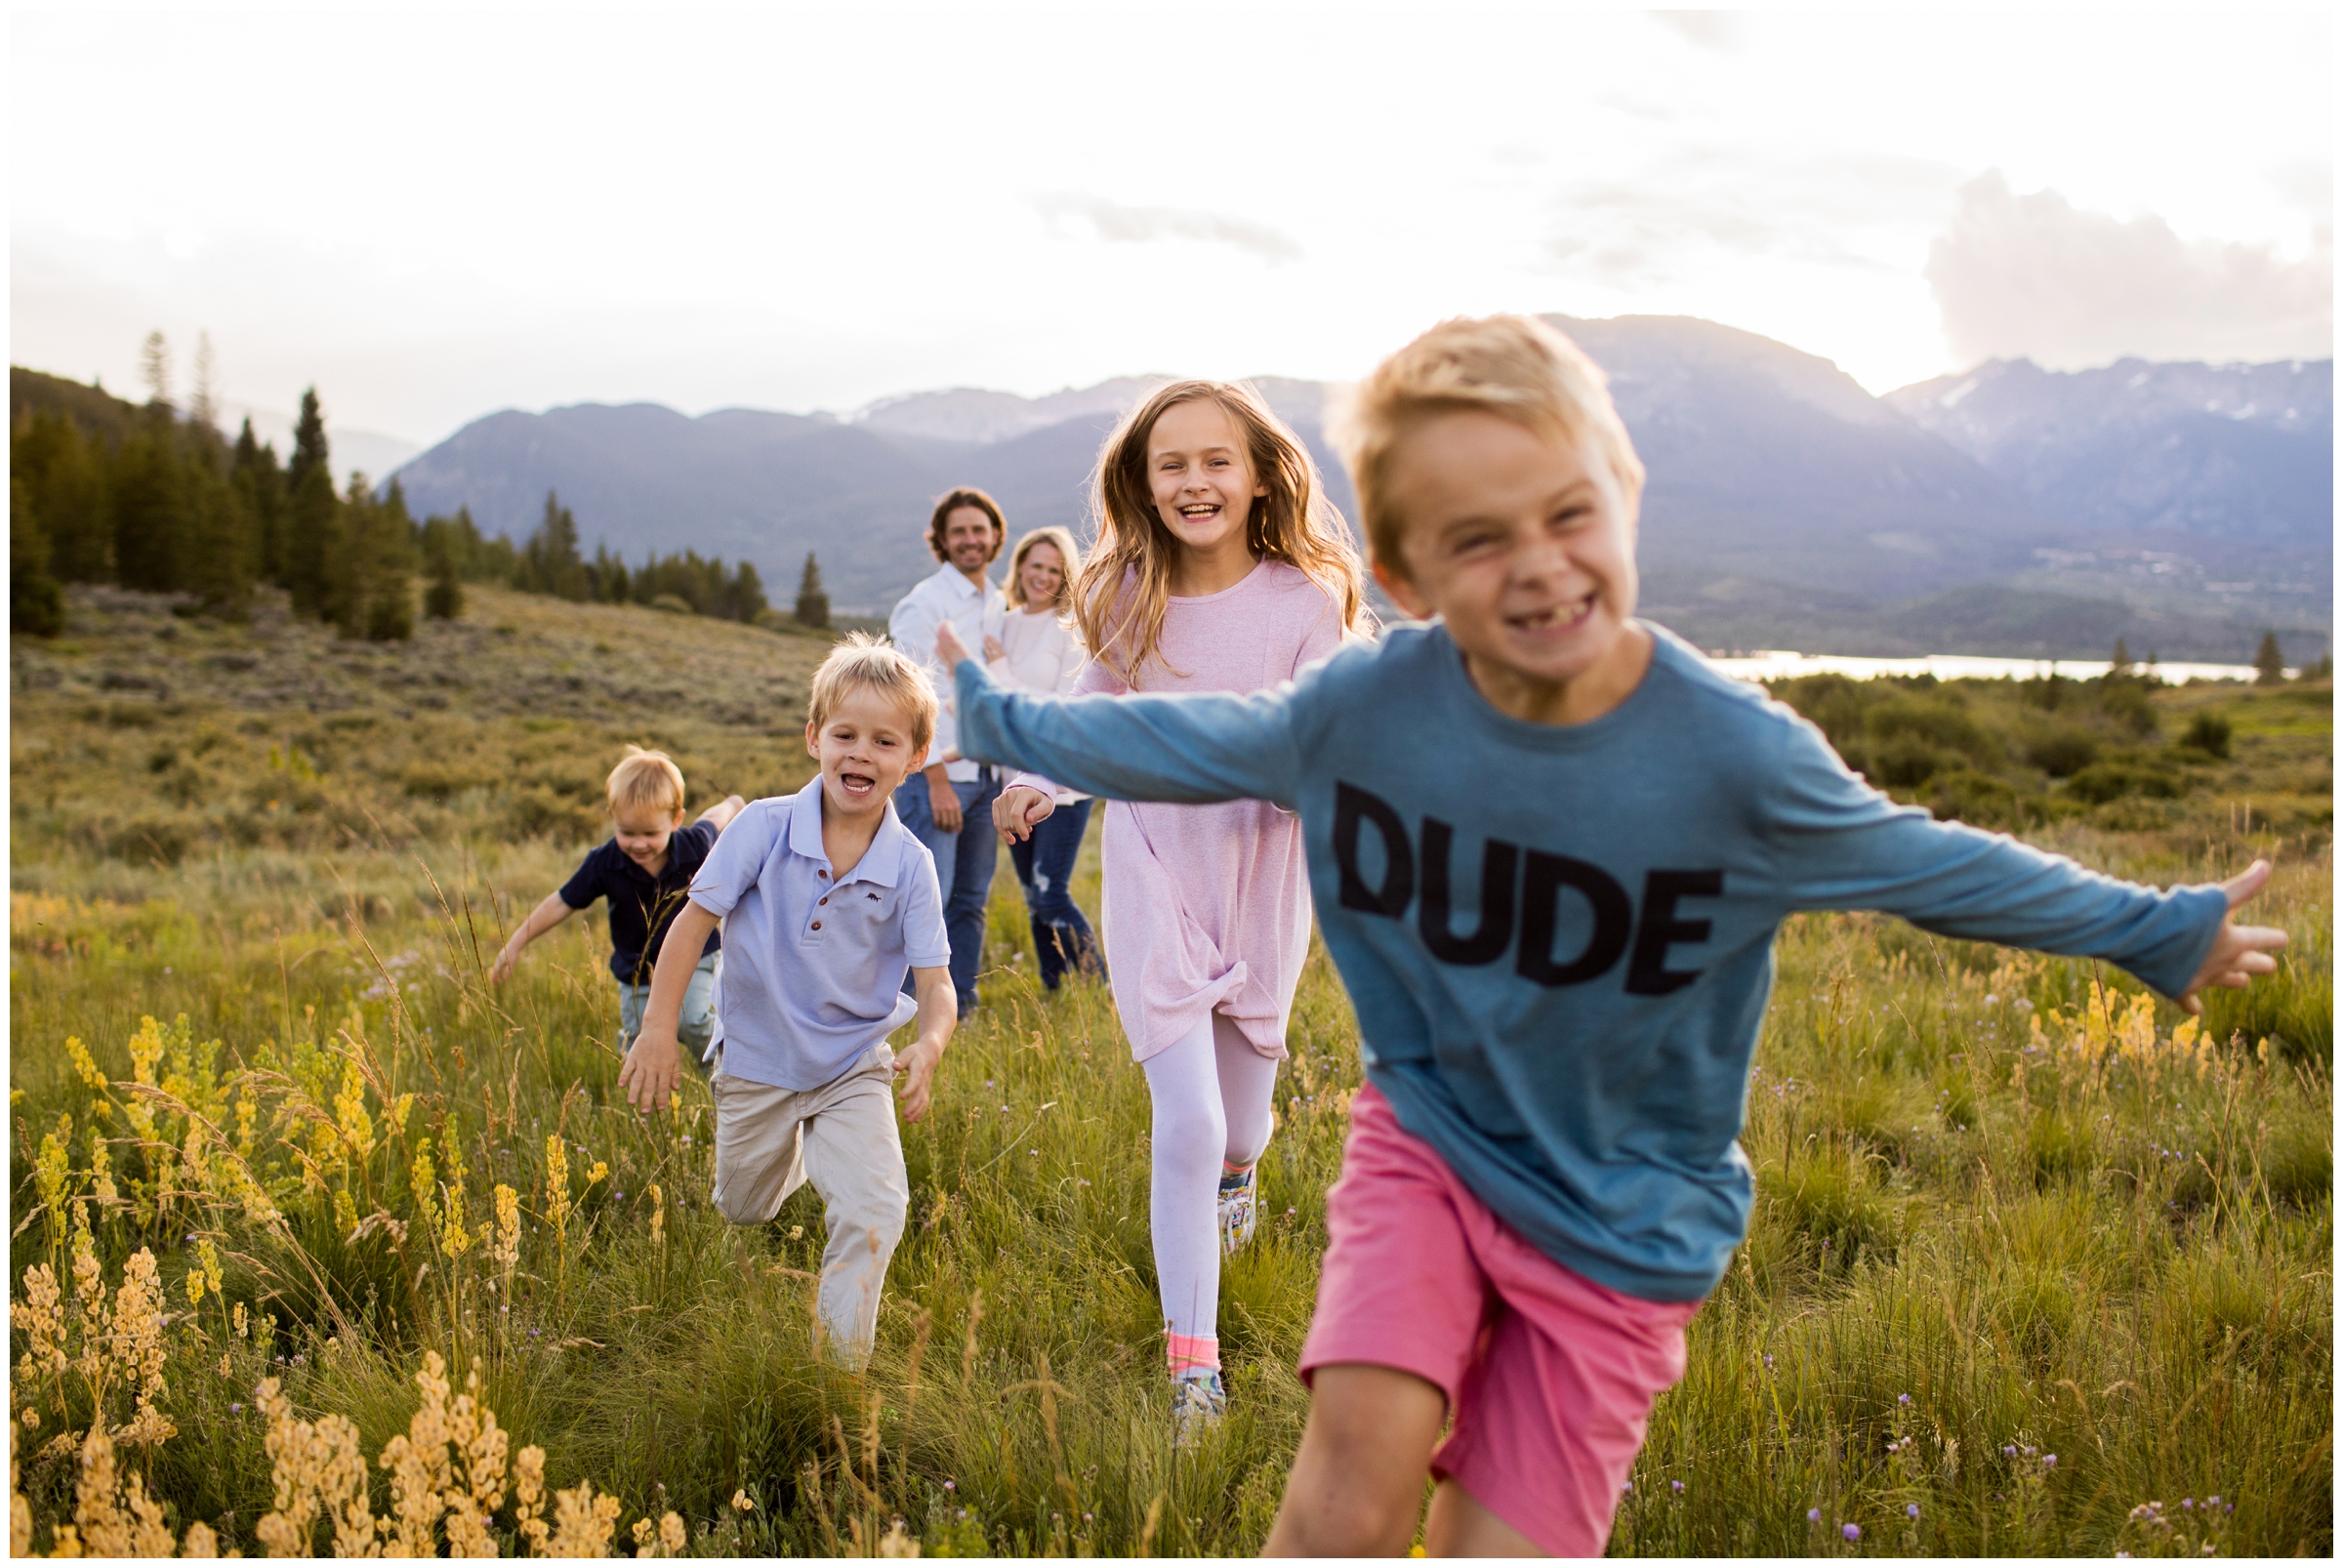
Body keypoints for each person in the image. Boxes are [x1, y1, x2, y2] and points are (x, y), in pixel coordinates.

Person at [936, 314, 2288, 1554]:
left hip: (1623, 1210)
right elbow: (1180, 730)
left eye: (1567, 512)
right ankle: (1199, 1351)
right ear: (1409, 568)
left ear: (1625, 504)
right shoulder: (1376, 699)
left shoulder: (1729, 748)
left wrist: (2155, 929)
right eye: (1474, 537)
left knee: (1500, 1540)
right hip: (1431, 1137)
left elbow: (1920, 860)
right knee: (1350, 1482)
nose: (1532, 562)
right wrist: (1005, 728)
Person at [984, 381, 1367, 1436]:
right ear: (1143, 484)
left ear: (1257, 477)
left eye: (1215, 461)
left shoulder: (1305, 602)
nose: (1194, 481)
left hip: (1260, 878)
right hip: (1157, 865)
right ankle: (1192, 1369)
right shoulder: (1127, 597)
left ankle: (1245, 1172)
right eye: (1171, 464)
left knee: (1239, 1124)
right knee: (1188, 1123)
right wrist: (1036, 779)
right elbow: (1092, 716)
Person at [618, 634, 956, 1370]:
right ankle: (796, 1153)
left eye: (884, 740)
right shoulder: (763, 827)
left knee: (875, 1212)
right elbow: (692, 923)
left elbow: (935, 985)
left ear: (915, 756)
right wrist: (655, 1028)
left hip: (851, 1063)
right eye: (845, 735)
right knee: (744, 1206)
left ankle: (836, 1380)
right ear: (814, 738)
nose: (860, 754)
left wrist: (929, 1044)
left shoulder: (911, 867)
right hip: (759, 1059)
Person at [490, 747, 743, 1070]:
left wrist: (735, 804)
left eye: (651, 833)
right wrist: (515, 943)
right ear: (612, 817)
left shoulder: (694, 844)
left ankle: (721, 1076)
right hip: (636, 969)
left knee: (691, 1021)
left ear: (676, 820)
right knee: (637, 1037)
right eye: (627, 833)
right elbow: (560, 902)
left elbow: (716, 817)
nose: (639, 844)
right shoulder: (604, 862)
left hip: (694, 957)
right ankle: (646, 1103)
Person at [887, 487, 1008, 1017]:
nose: (970, 540)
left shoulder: (999, 602)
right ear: (940, 540)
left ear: (995, 536)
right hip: (941, 776)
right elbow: (914, 698)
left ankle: (963, 1005)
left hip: (988, 776)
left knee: (971, 900)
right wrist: (934, 776)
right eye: (958, 531)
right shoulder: (925, 604)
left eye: (979, 529)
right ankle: (906, 1008)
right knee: (925, 900)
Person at [987, 525, 1102, 988]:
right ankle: (1054, 984)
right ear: (1019, 567)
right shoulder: (1004, 623)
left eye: (1056, 570)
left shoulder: (1069, 630)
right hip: (1011, 779)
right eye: (1036, 565)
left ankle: (1099, 983)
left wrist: (999, 671)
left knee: (1050, 890)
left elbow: (1054, 710)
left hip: (1063, 784)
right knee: (1032, 896)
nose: (1043, 576)